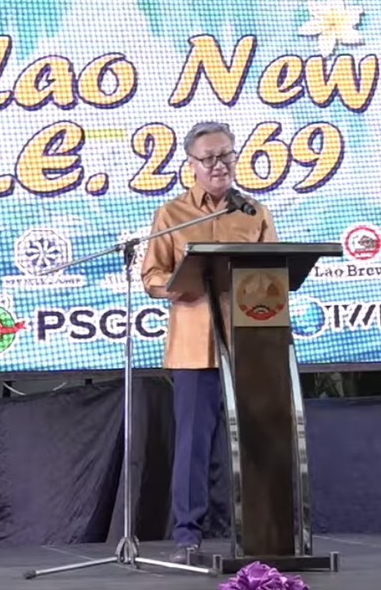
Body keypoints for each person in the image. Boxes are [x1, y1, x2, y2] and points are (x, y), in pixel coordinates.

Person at [140, 121, 277, 563]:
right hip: (194, 346)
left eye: (226, 156)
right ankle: (188, 537)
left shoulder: (254, 213)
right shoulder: (172, 214)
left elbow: (276, 269)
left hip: (249, 345)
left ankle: (264, 532)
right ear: (192, 164)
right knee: (193, 446)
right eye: (209, 158)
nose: (219, 165)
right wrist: (177, 286)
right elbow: (151, 275)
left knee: (258, 443)